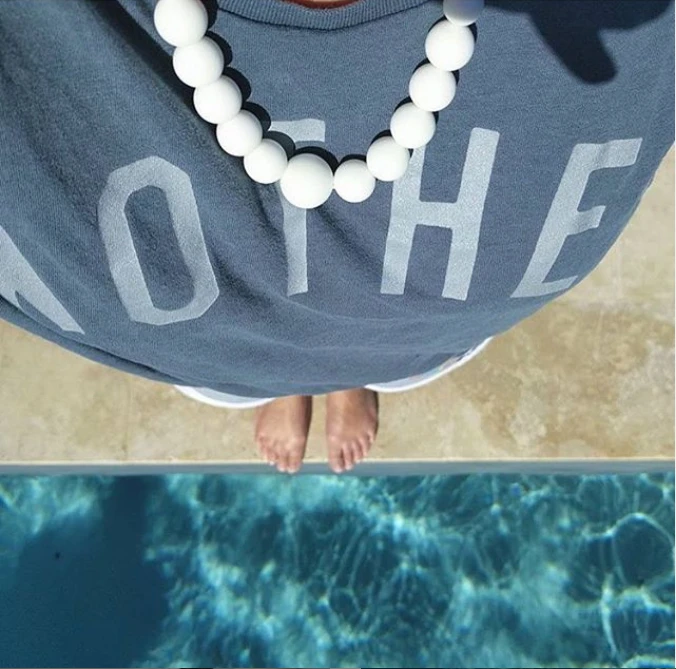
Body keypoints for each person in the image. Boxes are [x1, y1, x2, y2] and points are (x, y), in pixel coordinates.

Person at [0, 0, 673, 474]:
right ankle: (303, 381)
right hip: (273, 361)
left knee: (328, 348)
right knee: (289, 353)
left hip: (395, 347)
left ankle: (331, 381)